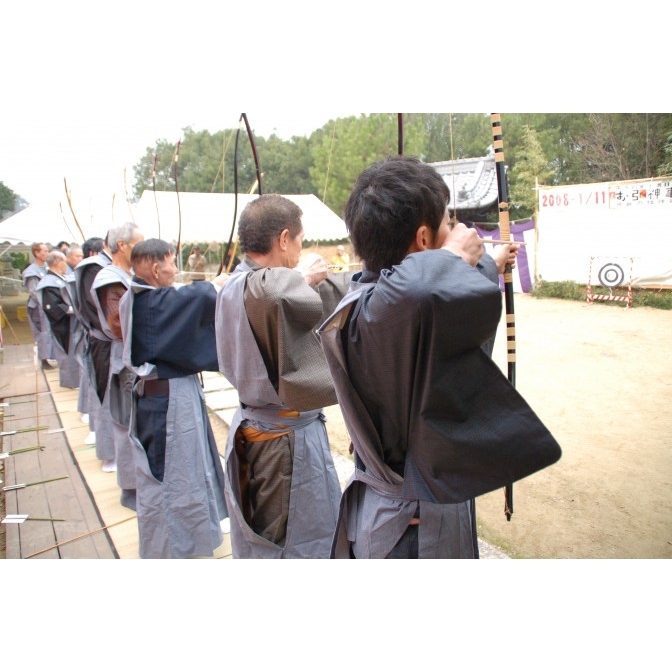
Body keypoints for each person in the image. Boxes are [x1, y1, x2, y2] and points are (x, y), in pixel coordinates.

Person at [318, 155, 562, 559]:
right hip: (411, 532)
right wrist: (461, 259)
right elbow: (419, 290)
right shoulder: (378, 309)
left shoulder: (380, 304)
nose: (456, 231)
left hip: (405, 513)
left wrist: (485, 263)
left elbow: (426, 292)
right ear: (426, 240)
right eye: (448, 223)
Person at [215, 194, 342, 559]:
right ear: (284, 239)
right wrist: (302, 277)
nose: (301, 250)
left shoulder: (239, 285)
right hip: (282, 441)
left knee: (277, 537)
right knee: (293, 543)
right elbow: (273, 291)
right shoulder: (254, 286)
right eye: (300, 241)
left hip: (267, 431)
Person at [119, 238, 229, 559]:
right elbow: (189, 300)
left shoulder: (144, 298)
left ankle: (190, 541)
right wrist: (213, 287)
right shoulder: (149, 303)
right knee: (172, 479)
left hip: (169, 398)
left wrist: (211, 288)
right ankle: (169, 550)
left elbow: (180, 302)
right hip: (166, 407)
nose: (176, 269)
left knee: (190, 471)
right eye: (172, 262)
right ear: (155, 268)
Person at [90, 222, 144, 509]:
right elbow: (119, 323)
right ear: (122, 245)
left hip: (136, 357)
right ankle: (132, 489)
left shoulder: (127, 274)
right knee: (127, 424)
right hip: (125, 361)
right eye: (138, 243)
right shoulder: (110, 278)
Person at [73, 234, 116, 470]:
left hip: (111, 342)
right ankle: (110, 454)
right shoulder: (97, 270)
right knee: (108, 395)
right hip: (106, 342)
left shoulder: (108, 268)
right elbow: (104, 315)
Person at [35, 250, 82, 388]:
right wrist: (73, 309)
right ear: (57, 263)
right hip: (62, 323)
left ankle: (76, 379)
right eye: (63, 261)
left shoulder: (61, 277)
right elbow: (52, 306)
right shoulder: (48, 283)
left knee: (74, 350)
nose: (66, 264)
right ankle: (70, 381)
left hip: (71, 321)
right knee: (67, 351)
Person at [22, 242, 54, 369]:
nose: (47, 253)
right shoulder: (32, 271)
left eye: (47, 251)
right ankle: (43, 359)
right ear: (36, 253)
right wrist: (46, 303)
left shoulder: (47, 267)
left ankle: (50, 356)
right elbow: (34, 291)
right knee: (42, 332)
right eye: (44, 251)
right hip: (38, 306)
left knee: (50, 331)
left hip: (50, 304)